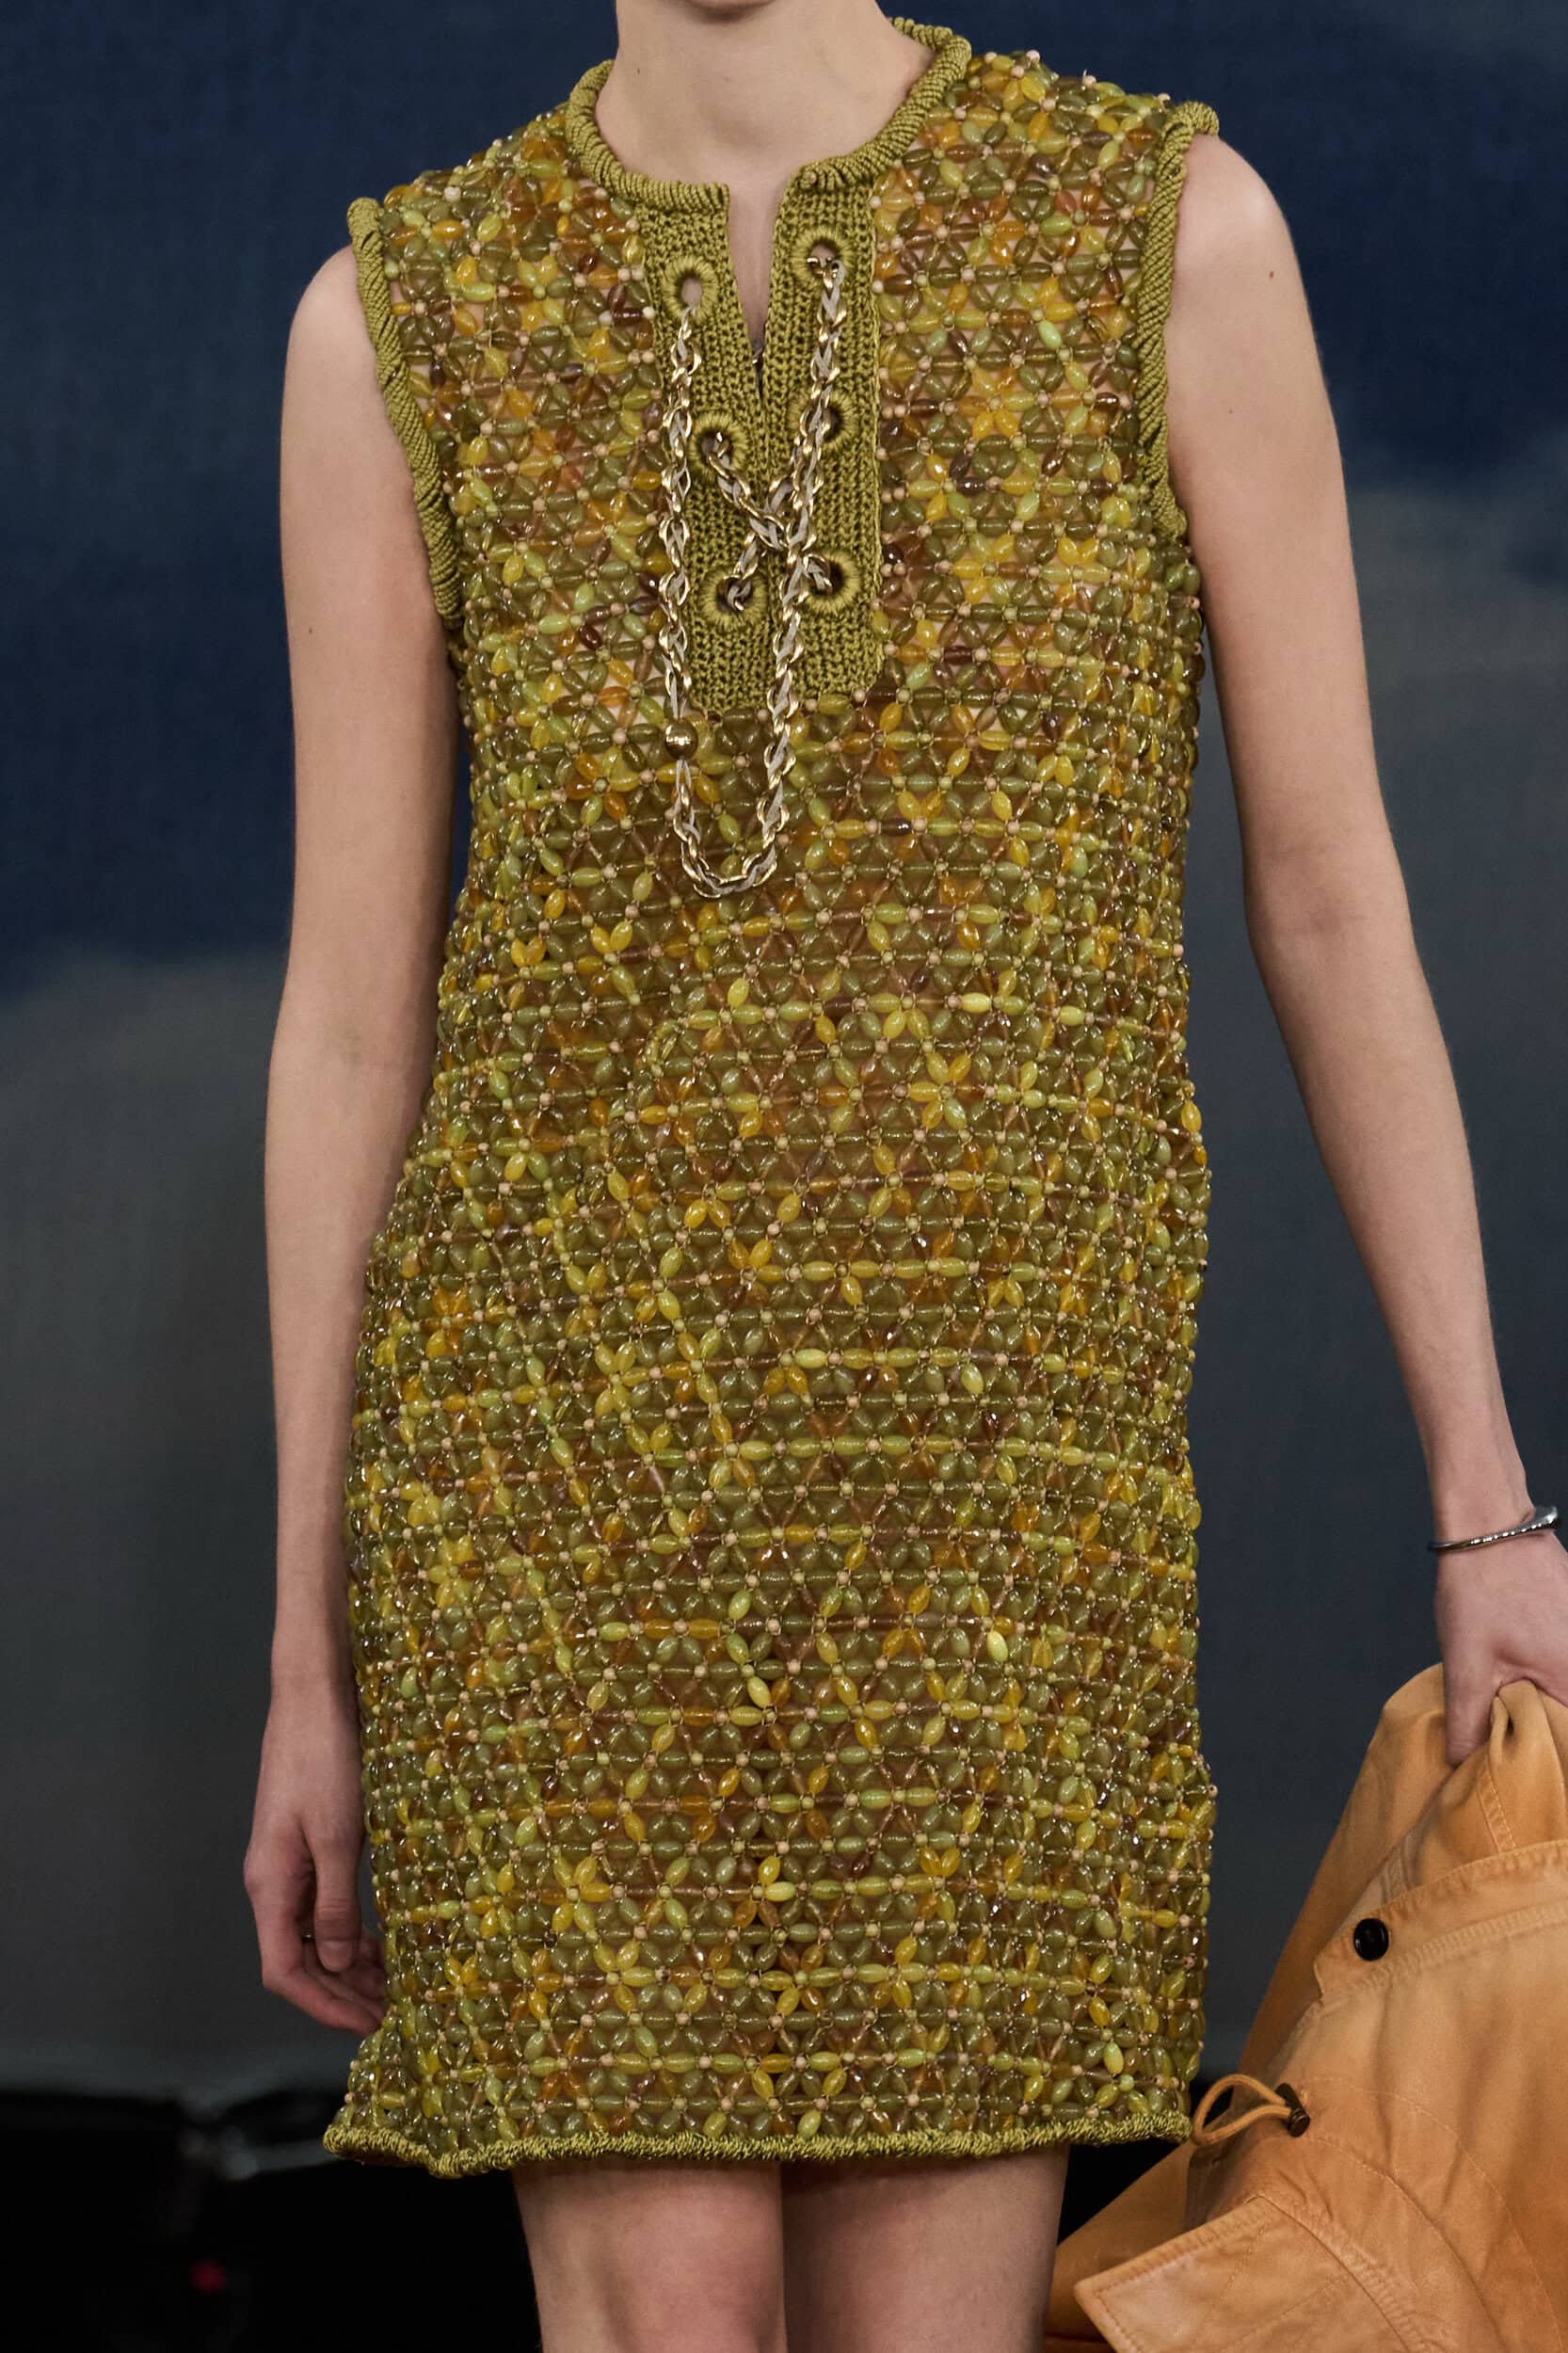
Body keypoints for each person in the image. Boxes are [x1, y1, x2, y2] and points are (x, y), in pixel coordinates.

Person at [247, 5, 1568, 2347]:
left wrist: (1486, 1499)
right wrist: (301, 1648)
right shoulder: (404, 318)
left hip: (991, 1508)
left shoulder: (1157, 231)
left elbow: (1327, 890)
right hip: (551, 1509)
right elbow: (352, 1014)